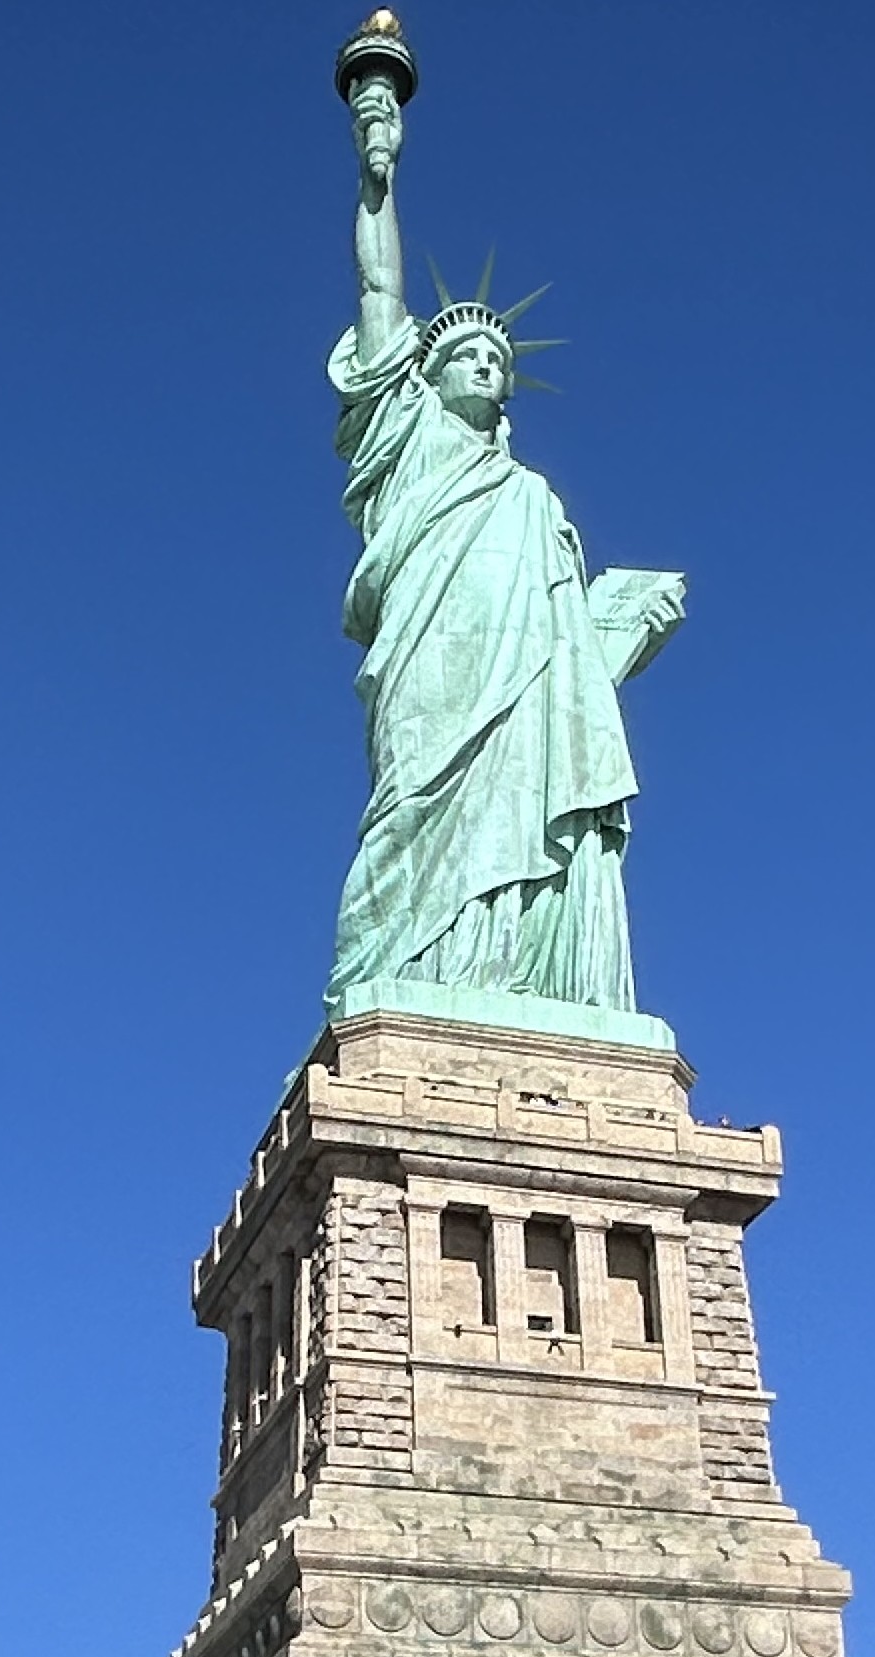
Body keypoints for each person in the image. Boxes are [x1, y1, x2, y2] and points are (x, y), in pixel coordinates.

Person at [323, 51, 683, 1019]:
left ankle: (518, 979)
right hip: (429, 676)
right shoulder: (405, 445)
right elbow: (377, 292)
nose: (485, 365)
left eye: (497, 358)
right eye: (466, 354)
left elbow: (570, 657)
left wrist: (620, 624)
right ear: (424, 377)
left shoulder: (531, 499)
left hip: (525, 698)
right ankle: (397, 985)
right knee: (409, 812)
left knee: (526, 802)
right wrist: (375, 165)